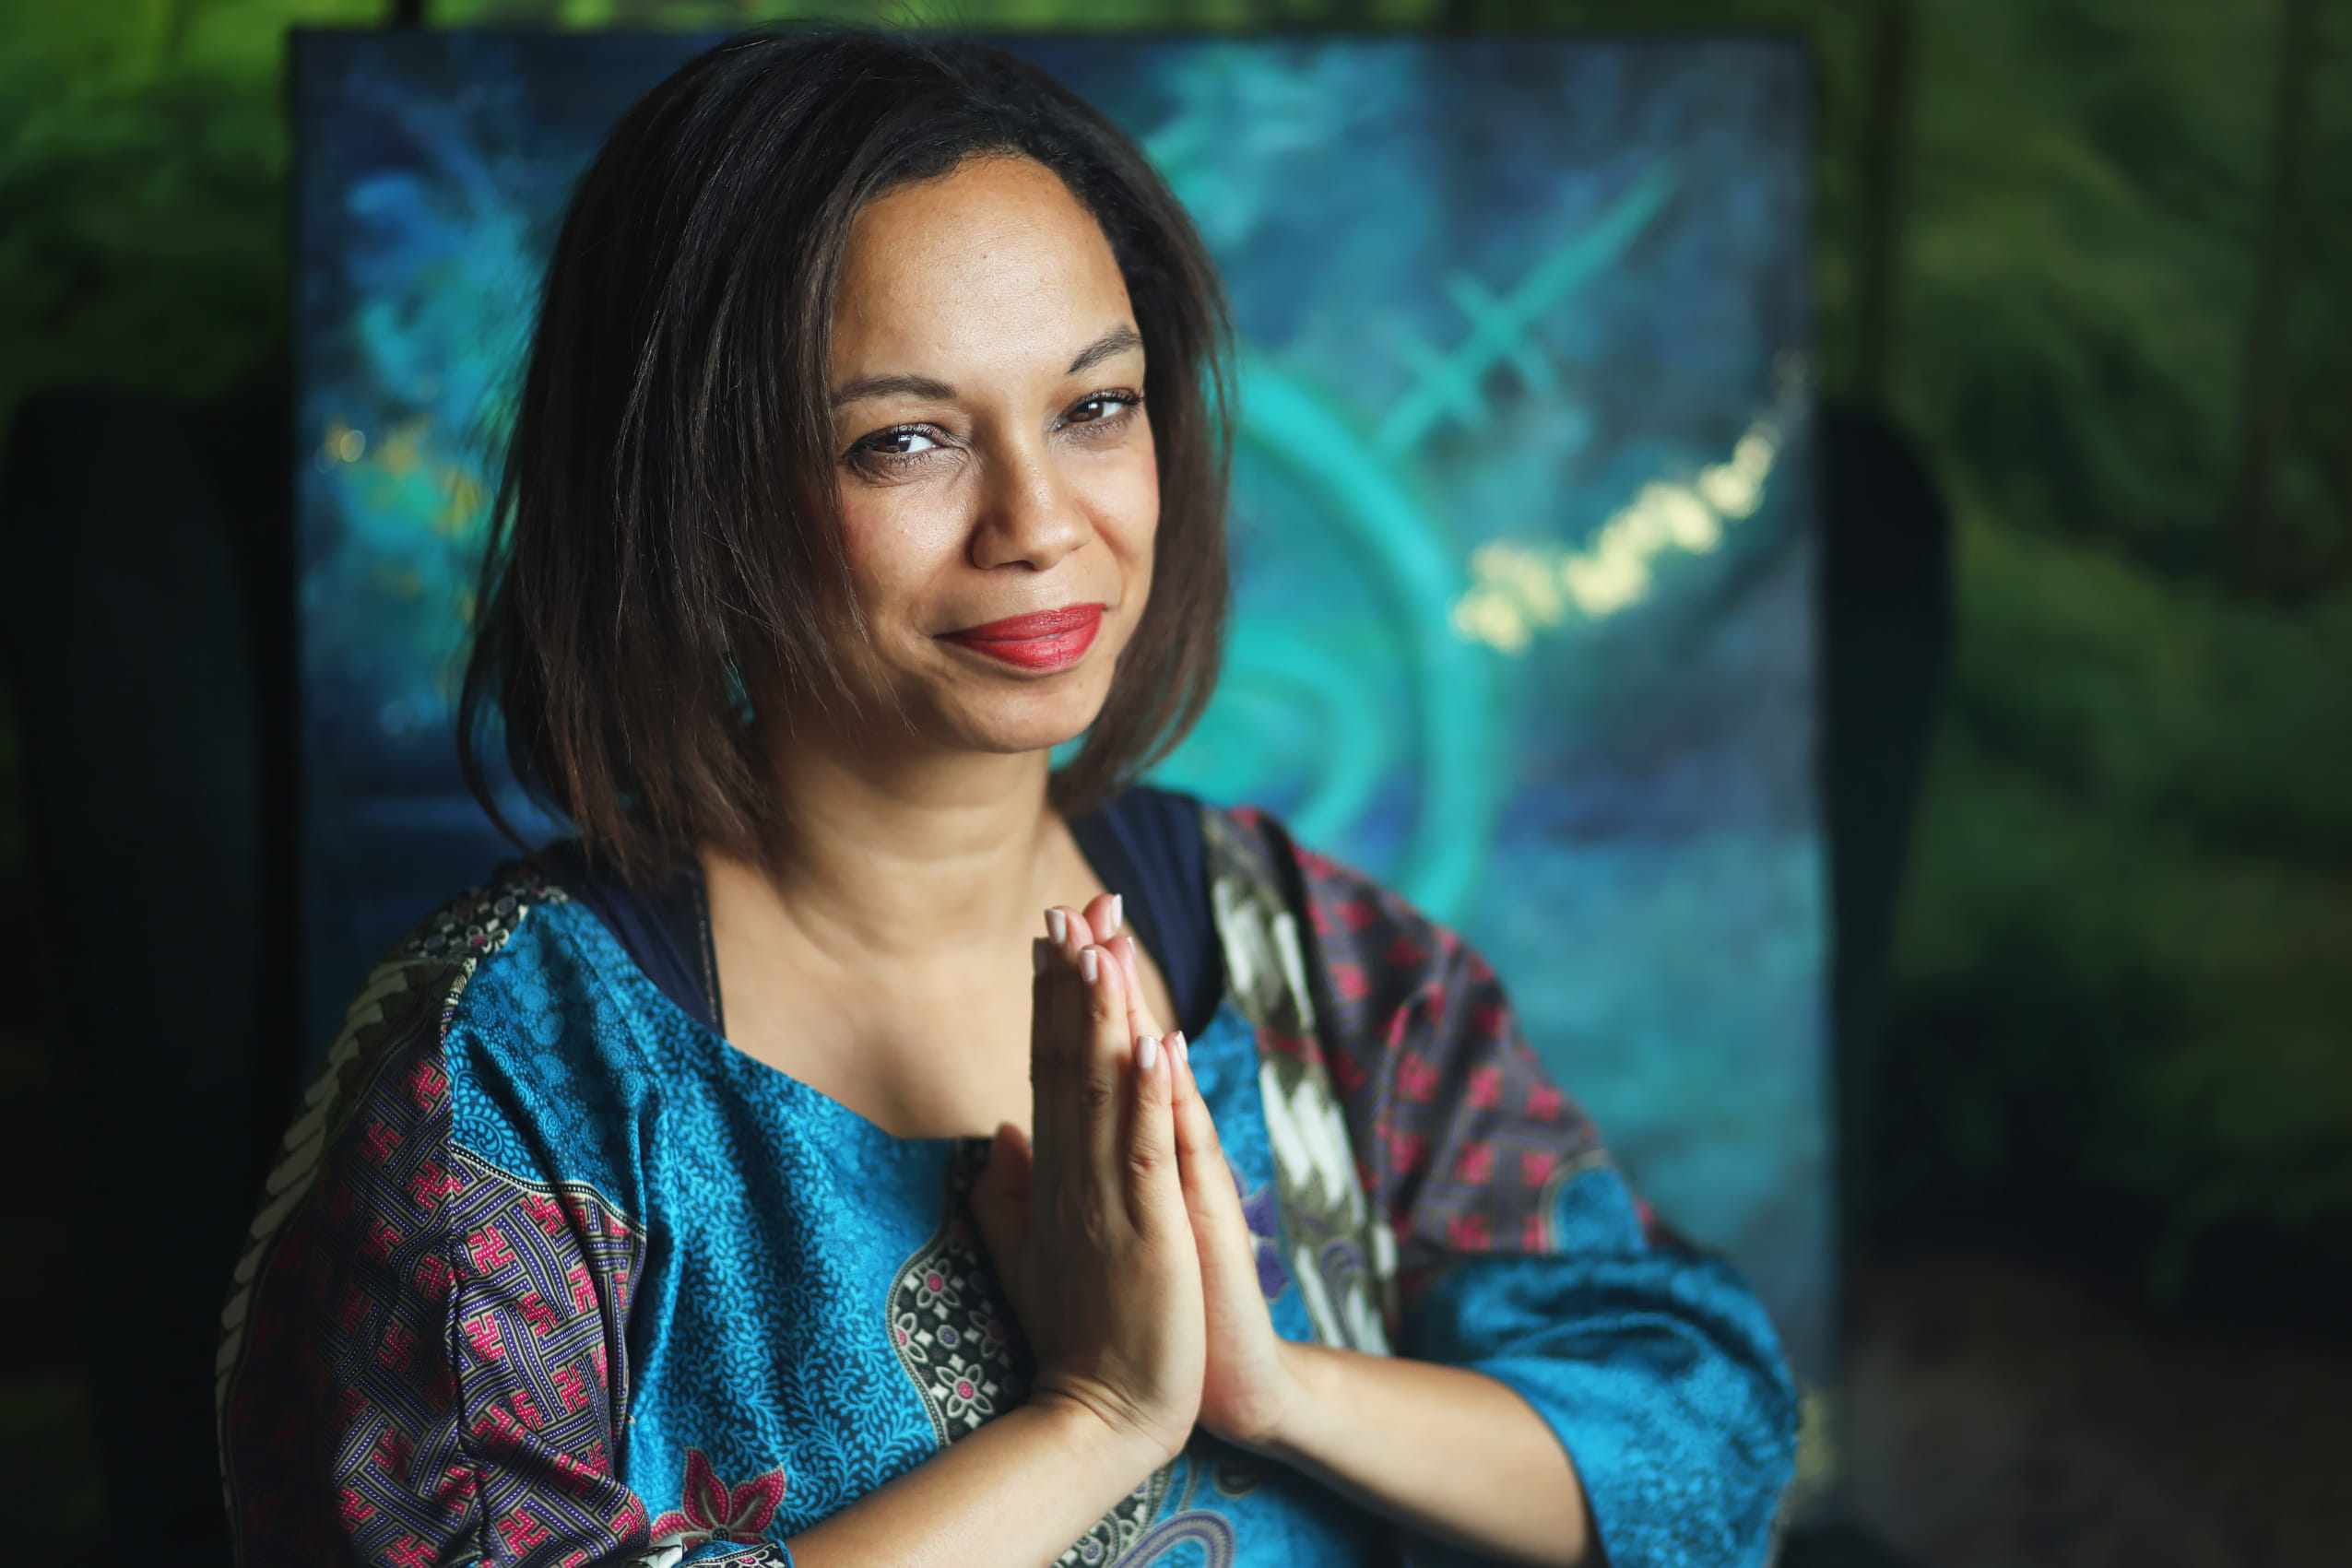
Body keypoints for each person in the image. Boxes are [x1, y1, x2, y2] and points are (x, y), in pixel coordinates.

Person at [216, 28, 1796, 1568]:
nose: (1038, 521)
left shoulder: (1316, 964)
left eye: (1094, 407)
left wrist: (1275, 1387)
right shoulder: (508, 1071)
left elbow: (1705, 1436)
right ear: (692, 495)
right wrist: (1094, 1417)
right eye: (903, 441)